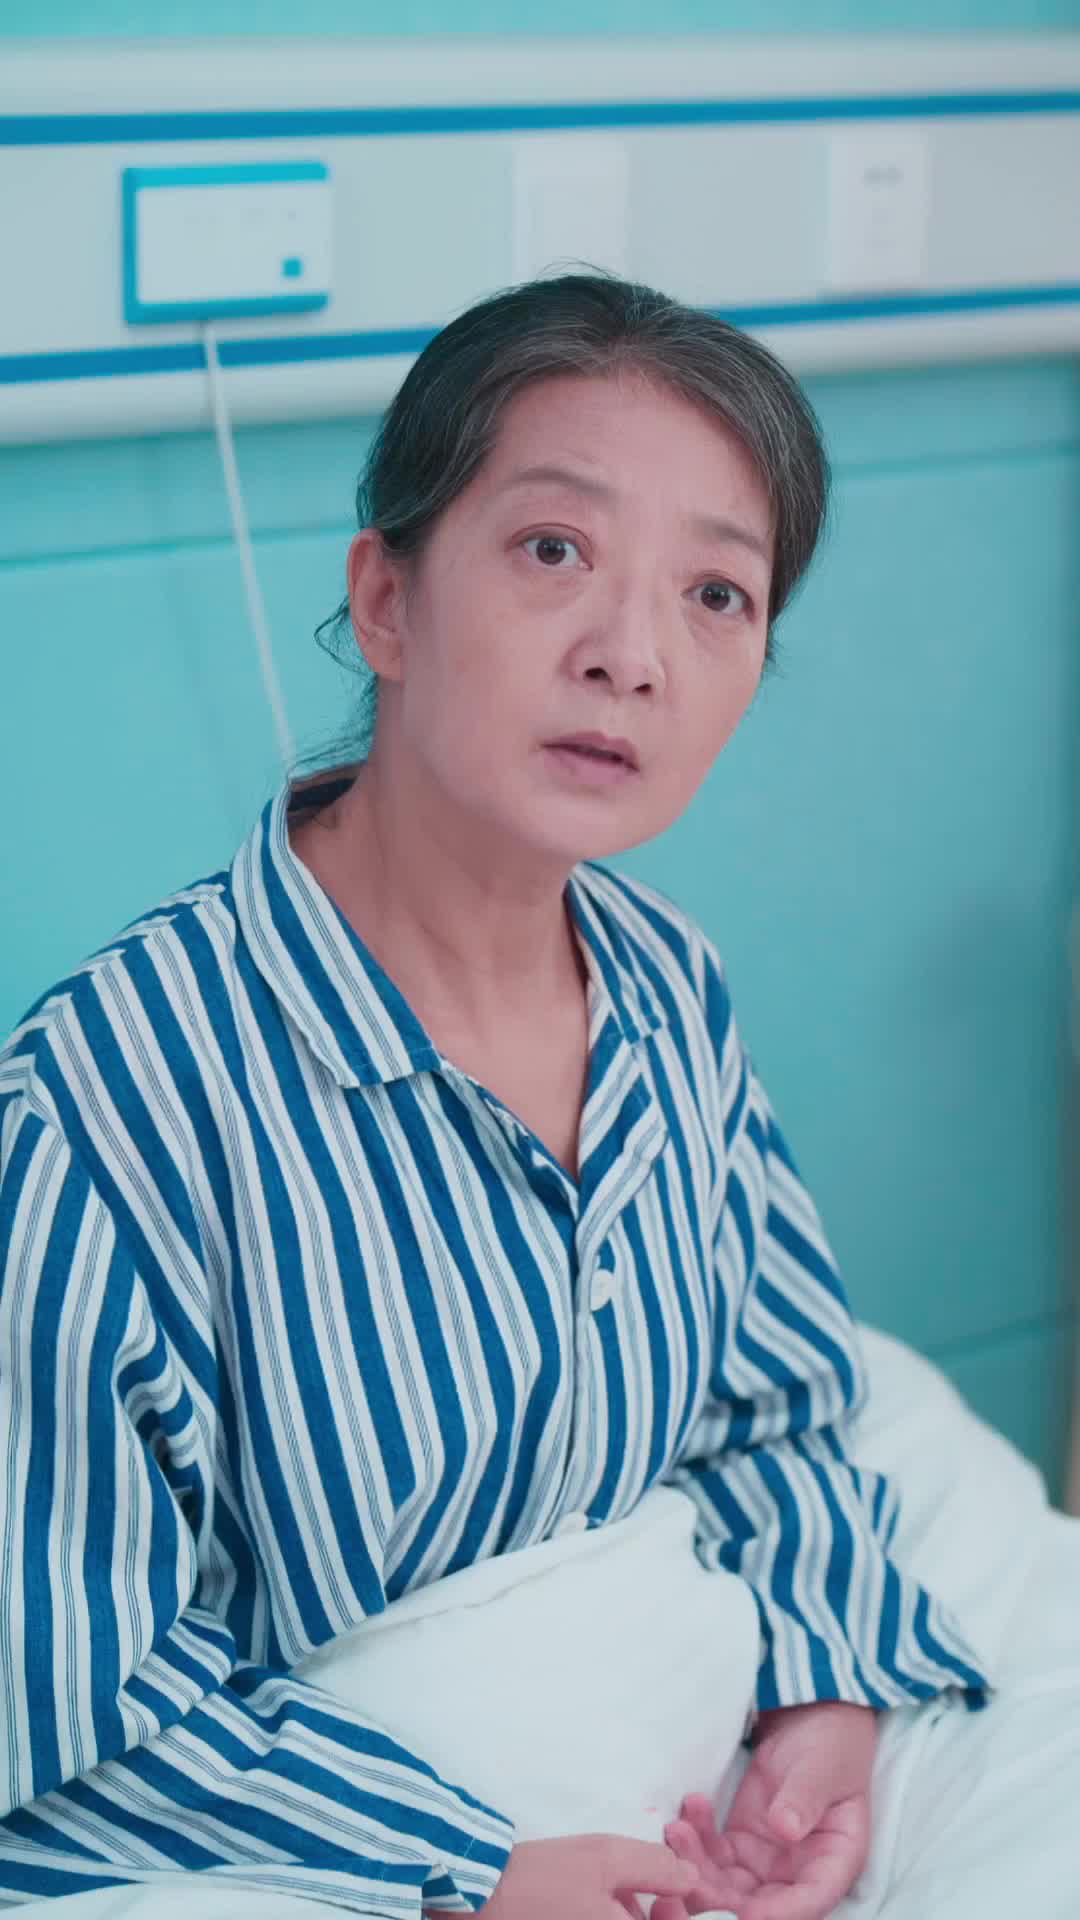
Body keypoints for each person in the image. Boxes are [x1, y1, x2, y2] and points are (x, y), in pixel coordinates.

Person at [0, 273, 988, 1920]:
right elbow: (56, 1705)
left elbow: (776, 1409)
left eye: (717, 594)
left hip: (668, 1823)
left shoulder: (668, 991)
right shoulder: (109, 1108)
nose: (631, 657)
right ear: (386, 602)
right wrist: (472, 1870)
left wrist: (826, 1703)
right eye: (552, 551)